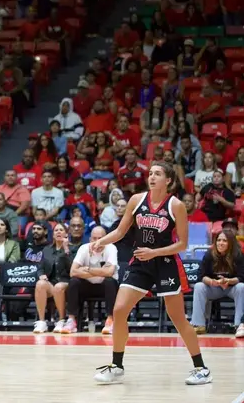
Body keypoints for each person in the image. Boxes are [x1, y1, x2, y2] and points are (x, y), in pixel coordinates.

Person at [90, 161, 212, 385]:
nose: (152, 177)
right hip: (141, 262)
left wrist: (154, 252)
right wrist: (101, 242)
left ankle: (201, 368)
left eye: (158, 174)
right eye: (150, 173)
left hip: (165, 263)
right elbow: (120, 231)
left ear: (168, 180)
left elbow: (182, 244)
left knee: (178, 319)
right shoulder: (137, 200)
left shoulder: (176, 205)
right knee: (119, 310)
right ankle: (117, 365)